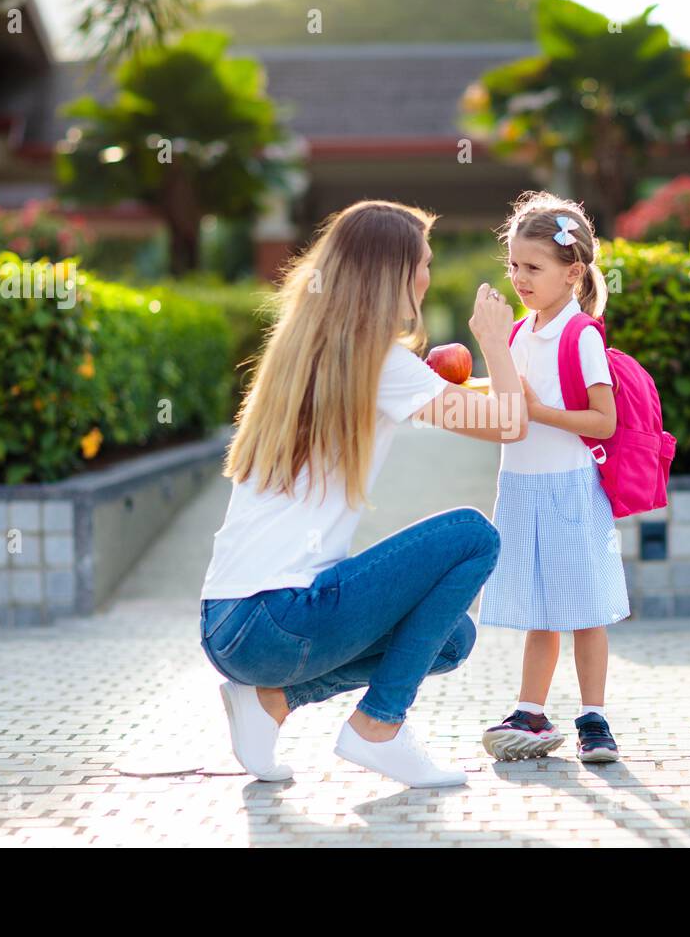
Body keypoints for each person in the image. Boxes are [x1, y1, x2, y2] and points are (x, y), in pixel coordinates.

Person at [198, 200, 529, 789]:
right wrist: (495, 339)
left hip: (229, 624)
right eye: (421, 262)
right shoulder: (380, 363)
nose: (427, 275)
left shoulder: (302, 351)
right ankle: (379, 727)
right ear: (391, 272)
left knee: (450, 640)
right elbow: (508, 423)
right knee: (472, 536)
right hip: (278, 620)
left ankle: (271, 702)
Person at [477, 191, 631, 764]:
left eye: (532, 267)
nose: (519, 278)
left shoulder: (582, 336)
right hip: (520, 487)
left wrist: (538, 411)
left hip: (569, 488)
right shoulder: (517, 335)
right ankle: (531, 711)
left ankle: (595, 720)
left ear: (573, 272)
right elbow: (505, 413)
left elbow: (604, 420)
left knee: (584, 611)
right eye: (513, 265)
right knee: (540, 610)